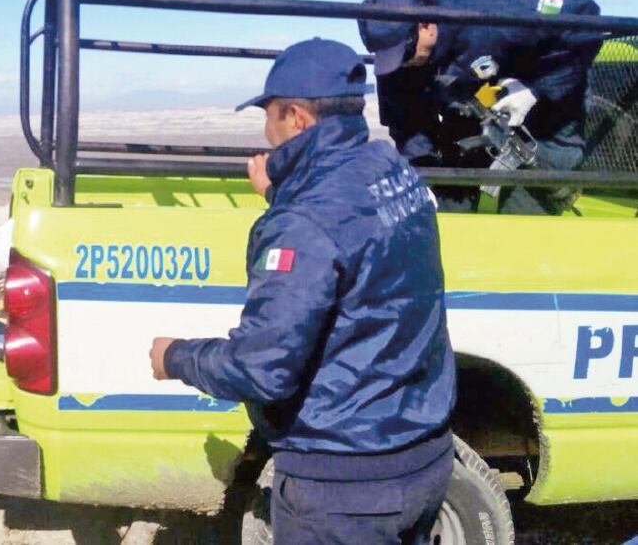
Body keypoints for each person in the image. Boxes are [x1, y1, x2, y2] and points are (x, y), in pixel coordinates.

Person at [149, 39, 456, 544]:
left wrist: (176, 358)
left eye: (269, 115)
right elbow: (348, 231)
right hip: (424, 457)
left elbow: (262, 368)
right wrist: (281, 195)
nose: (266, 132)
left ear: (295, 117)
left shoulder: (303, 223)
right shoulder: (392, 169)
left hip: (346, 486)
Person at [357, 0, 602, 214]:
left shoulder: (500, 6)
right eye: (390, 57)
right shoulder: (397, 58)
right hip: (477, 104)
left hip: (547, 94)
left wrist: (536, 89)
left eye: (405, 53)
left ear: (426, 25)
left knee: (527, 202)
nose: (402, 63)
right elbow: (406, 122)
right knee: (451, 197)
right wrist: (424, 174)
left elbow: (585, 24)